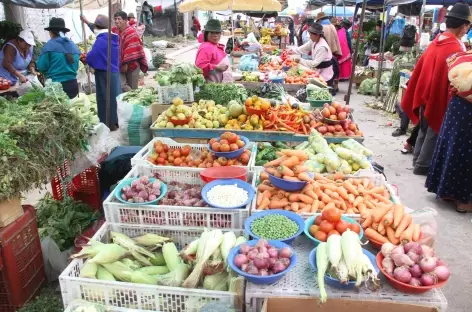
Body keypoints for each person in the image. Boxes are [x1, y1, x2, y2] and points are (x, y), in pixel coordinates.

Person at [401, 1, 470, 176]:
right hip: (438, 95)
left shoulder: (436, 41)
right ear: (463, 27)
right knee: (433, 129)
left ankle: (418, 159)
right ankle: (423, 165)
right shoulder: (455, 47)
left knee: (425, 127)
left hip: (425, 93)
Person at [426, 49, 472, 213]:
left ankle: (446, 191)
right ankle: (464, 200)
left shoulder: (463, 57)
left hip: (457, 106)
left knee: (453, 144)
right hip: (467, 110)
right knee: (466, 150)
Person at [81, 14, 121, 130]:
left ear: (98, 28)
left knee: (104, 98)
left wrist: (86, 58)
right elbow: (94, 28)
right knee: (115, 97)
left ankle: (108, 123)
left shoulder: (101, 41)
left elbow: (93, 56)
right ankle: (116, 121)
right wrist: (86, 21)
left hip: (104, 74)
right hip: (114, 72)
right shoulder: (111, 37)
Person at [36, 18, 80, 99]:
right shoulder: (74, 46)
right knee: (73, 110)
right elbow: (76, 66)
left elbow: (41, 67)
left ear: (51, 32)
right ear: (64, 32)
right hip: (73, 86)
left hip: (56, 88)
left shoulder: (49, 46)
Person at [114, 10, 148, 92]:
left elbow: (133, 49)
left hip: (132, 64)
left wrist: (126, 63)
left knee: (133, 89)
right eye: (115, 19)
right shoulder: (116, 31)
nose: (116, 21)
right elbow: (101, 28)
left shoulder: (131, 32)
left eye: (119, 19)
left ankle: (133, 101)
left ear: (125, 21)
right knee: (121, 86)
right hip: (119, 64)